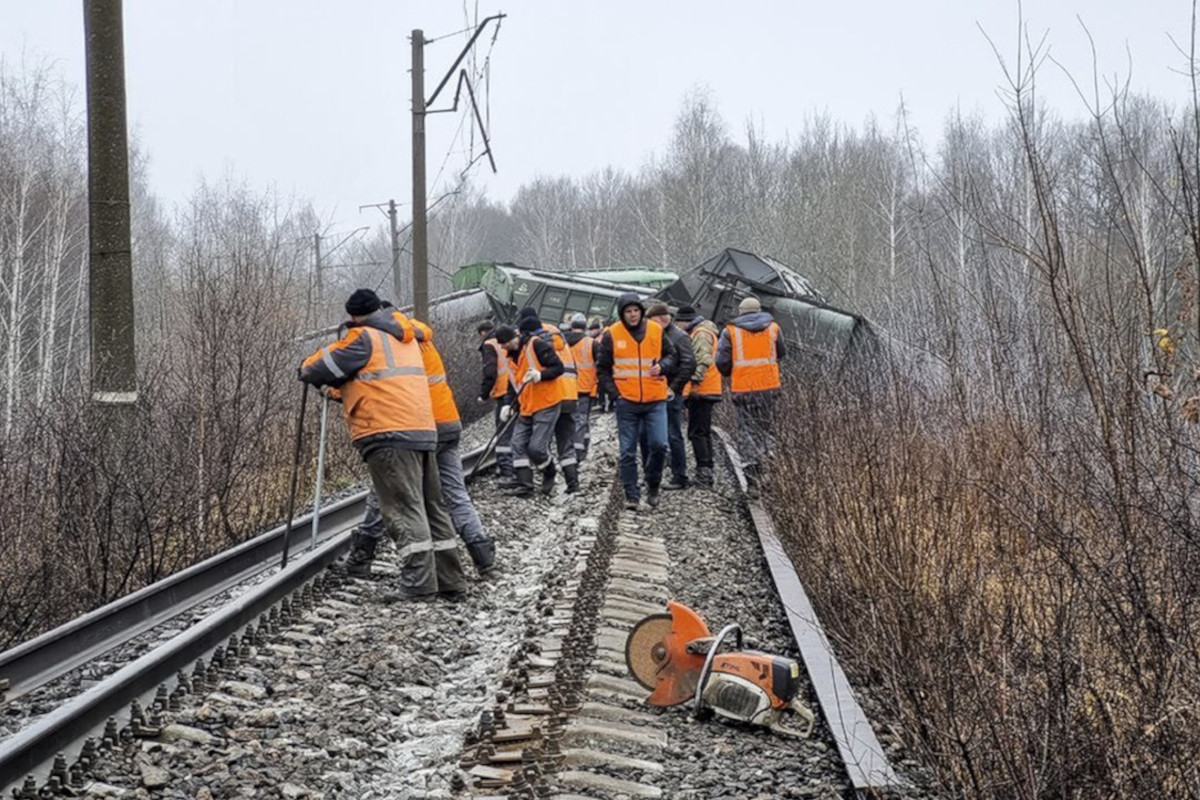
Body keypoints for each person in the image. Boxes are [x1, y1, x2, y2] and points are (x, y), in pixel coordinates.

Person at [299, 289, 466, 602]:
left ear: (353, 316)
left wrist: (307, 366)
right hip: (423, 429)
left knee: (403, 508)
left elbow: (318, 368)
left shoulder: (363, 338)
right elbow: (377, 380)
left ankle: (418, 585)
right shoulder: (404, 339)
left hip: (388, 433)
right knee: (433, 507)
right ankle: (451, 581)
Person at [350, 311, 497, 577]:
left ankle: (363, 554)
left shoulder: (392, 347)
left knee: (384, 491)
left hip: (418, 427)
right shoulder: (421, 337)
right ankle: (482, 553)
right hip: (448, 422)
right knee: (455, 494)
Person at [596, 293, 676, 511]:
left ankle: (653, 483)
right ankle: (632, 495)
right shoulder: (612, 334)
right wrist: (615, 395)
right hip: (627, 401)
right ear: (622, 314)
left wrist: (663, 366)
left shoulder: (656, 330)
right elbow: (602, 368)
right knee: (627, 451)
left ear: (641, 311)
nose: (632, 315)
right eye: (627, 312)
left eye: (635, 311)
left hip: (655, 398)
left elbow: (672, 355)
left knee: (660, 445)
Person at [715, 295, 786, 496]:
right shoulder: (773, 328)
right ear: (759, 310)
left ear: (740, 312)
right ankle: (769, 460)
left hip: (744, 389)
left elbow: (721, 361)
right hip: (770, 388)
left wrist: (732, 372)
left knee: (746, 431)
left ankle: (753, 479)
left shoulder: (730, 332)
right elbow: (782, 353)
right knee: (766, 427)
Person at [506, 312, 569, 497]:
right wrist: (509, 405)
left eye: (504, 343)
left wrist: (541, 376)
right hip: (526, 405)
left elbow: (559, 368)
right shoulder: (512, 356)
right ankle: (525, 485)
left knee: (537, 448)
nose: (502, 347)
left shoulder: (536, 345)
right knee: (517, 443)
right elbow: (514, 383)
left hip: (546, 403)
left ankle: (549, 471)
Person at [644, 303, 696, 490]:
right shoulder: (664, 334)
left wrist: (673, 388)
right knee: (663, 433)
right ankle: (666, 469)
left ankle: (679, 475)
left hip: (670, 392)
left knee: (673, 433)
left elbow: (689, 364)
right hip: (658, 390)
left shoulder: (679, 337)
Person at [675, 305, 722, 487]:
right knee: (703, 431)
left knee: (697, 432)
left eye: (678, 322)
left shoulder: (700, 334)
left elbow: (702, 361)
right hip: (707, 389)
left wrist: (691, 381)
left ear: (684, 321)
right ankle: (707, 469)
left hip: (702, 390)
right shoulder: (703, 331)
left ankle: (704, 473)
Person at [479, 321, 517, 484]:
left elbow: (490, 371)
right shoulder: (510, 339)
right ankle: (516, 466)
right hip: (517, 389)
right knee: (515, 430)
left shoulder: (489, 344)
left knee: (503, 432)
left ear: (482, 333)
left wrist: (483, 394)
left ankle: (506, 469)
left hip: (503, 392)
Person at [563, 312, 597, 463]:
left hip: (565, 389)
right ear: (585, 327)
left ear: (571, 327)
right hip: (584, 389)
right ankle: (577, 453)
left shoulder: (562, 342)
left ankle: (569, 451)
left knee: (568, 421)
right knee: (581, 420)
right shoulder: (592, 343)